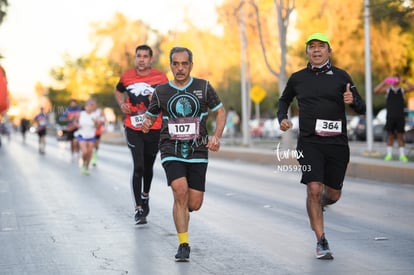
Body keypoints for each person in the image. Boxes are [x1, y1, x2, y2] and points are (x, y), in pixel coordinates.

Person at [277, 33, 366, 260]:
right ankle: (321, 241)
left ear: (329, 51)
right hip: (310, 142)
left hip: (337, 143)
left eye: (321, 47)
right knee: (314, 188)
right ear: (307, 52)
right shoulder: (298, 78)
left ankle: (321, 203)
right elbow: (284, 100)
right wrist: (282, 118)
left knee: (333, 194)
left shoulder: (341, 76)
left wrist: (352, 101)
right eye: (312, 47)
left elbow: (362, 108)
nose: (316, 50)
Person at [142, 47, 226, 262]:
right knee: (180, 191)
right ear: (170, 65)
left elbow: (220, 111)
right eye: (176, 64)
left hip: (198, 149)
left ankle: (183, 209)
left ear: (191, 65)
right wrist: (146, 123)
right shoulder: (161, 91)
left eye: (184, 64)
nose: (180, 68)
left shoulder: (203, 86)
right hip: (171, 148)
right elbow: (151, 116)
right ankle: (183, 244)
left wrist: (216, 136)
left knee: (193, 203)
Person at [114, 44, 168, 224]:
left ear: (151, 59)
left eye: (145, 56)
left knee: (148, 166)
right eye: (139, 56)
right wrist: (122, 104)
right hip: (133, 127)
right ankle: (138, 208)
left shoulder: (160, 77)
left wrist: (158, 100)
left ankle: (145, 196)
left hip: (154, 127)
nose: (142, 59)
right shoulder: (127, 76)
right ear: (135, 58)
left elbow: (168, 97)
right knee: (138, 166)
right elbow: (118, 90)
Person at [374, 75, 414, 162]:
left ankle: (402, 155)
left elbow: (412, 88)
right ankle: (389, 155)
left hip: (400, 117)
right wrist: (385, 81)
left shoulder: (402, 90)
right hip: (390, 117)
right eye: (394, 79)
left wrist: (405, 81)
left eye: (397, 79)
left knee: (400, 136)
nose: (395, 80)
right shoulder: (388, 90)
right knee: (390, 136)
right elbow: (376, 90)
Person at [74, 99, 100, 175]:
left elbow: (97, 126)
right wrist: (78, 125)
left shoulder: (94, 115)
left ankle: (86, 166)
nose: (89, 108)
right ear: (85, 106)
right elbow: (75, 122)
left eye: (91, 106)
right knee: (85, 152)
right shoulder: (80, 114)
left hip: (91, 136)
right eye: (88, 106)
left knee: (89, 152)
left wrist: (96, 123)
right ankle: (83, 164)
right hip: (82, 135)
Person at [90, 100, 106, 167]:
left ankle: (94, 159)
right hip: (89, 131)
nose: (93, 106)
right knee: (91, 146)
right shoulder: (88, 112)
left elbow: (104, 119)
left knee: (96, 146)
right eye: (92, 104)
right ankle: (90, 158)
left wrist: (100, 123)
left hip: (97, 131)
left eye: (94, 104)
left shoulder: (99, 111)